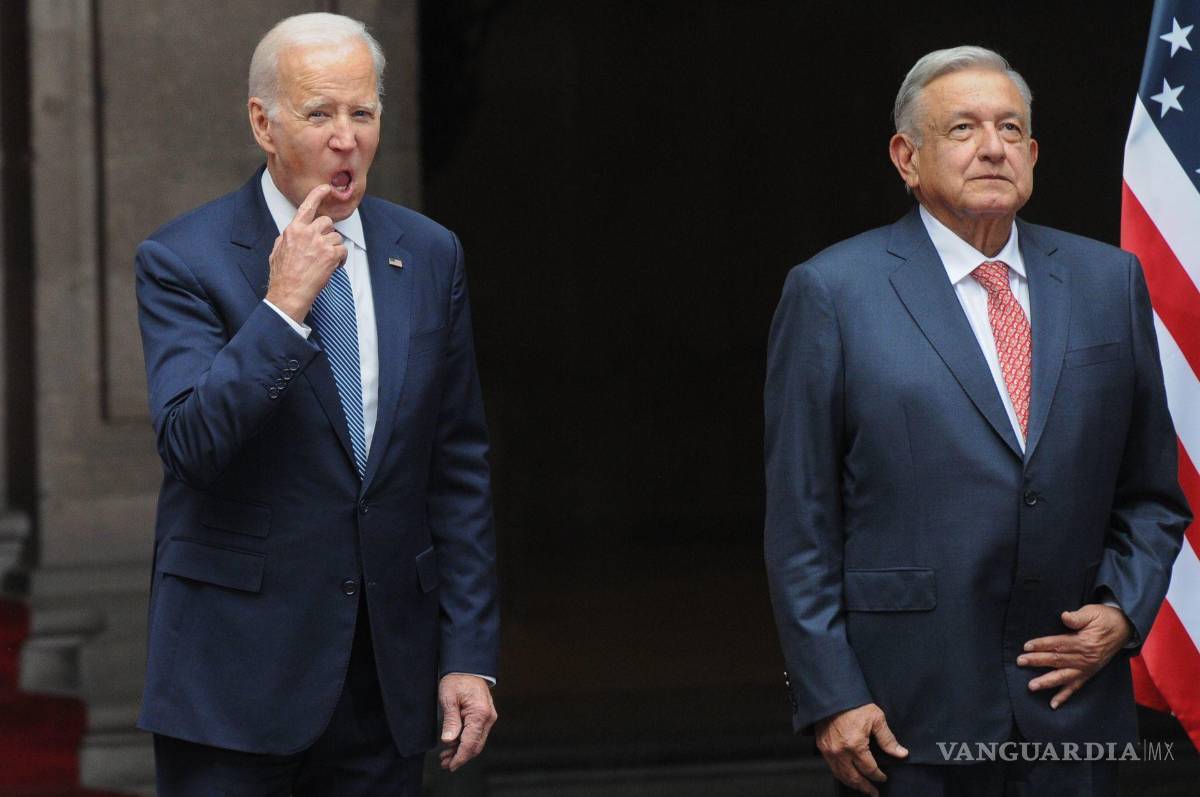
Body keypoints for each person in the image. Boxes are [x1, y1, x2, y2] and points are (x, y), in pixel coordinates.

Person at [764, 46, 1190, 797]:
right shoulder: (832, 292)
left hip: (1073, 712)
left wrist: (1123, 611)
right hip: (906, 711)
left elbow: (1152, 491)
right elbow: (800, 520)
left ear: (1032, 153)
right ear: (907, 156)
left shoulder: (1107, 281)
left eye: (1010, 128)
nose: (992, 146)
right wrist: (831, 693)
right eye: (962, 128)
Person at [134, 13, 498, 795]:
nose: (346, 138)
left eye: (362, 113)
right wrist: (281, 307)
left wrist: (467, 650)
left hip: (384, 682)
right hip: (234, 683)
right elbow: (192, 443)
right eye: (320, 113)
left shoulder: (429, 253)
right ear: (264, 123)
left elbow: (457, 464)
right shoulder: (182, 259)